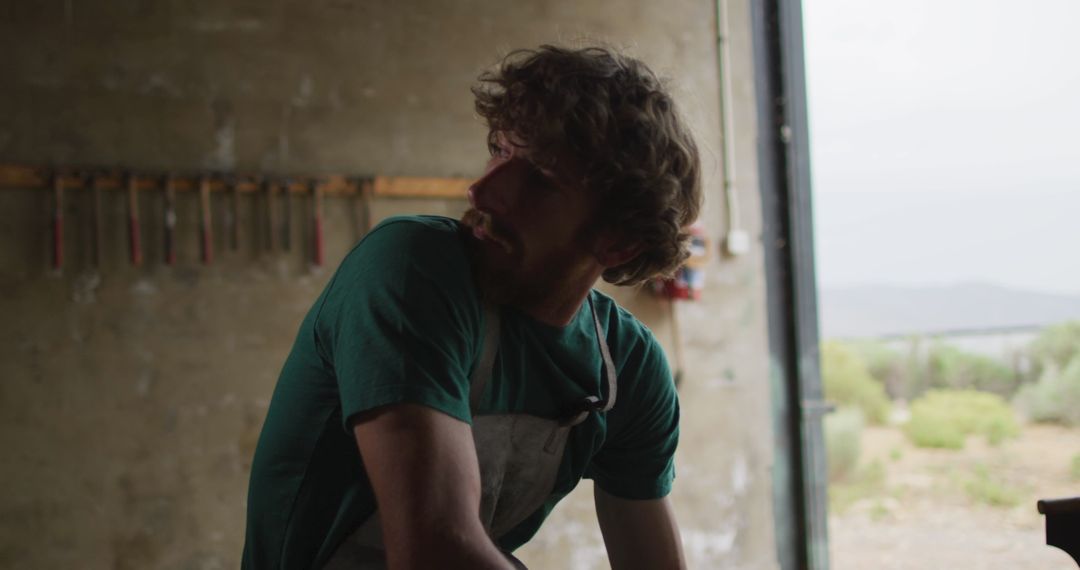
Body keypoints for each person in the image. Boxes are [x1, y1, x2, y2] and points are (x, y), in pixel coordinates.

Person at [242, 44, 702, 570]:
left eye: (540, 179)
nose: (481, 190)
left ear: (617, 243)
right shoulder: (411, 269)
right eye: (500, 151)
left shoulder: (627, 370)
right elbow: (436, 550)